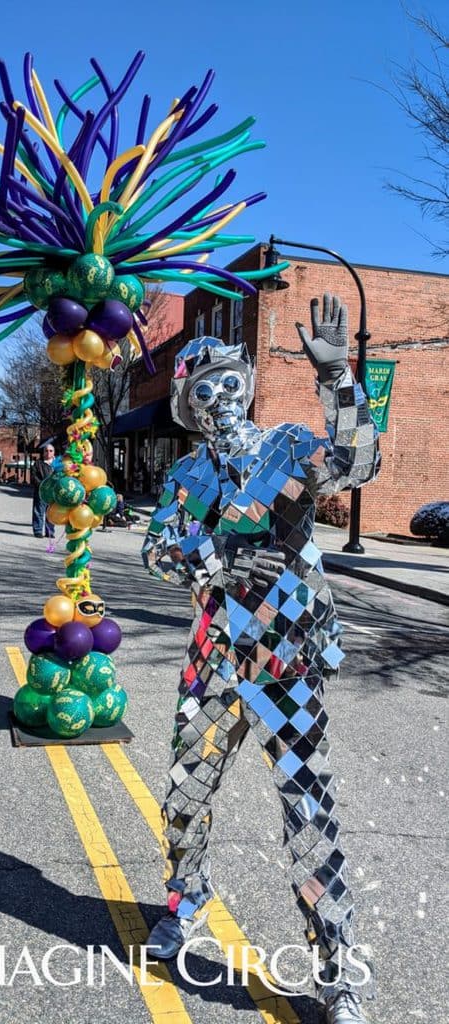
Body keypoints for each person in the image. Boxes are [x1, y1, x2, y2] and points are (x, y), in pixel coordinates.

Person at [142, 295, 381, 1024]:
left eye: (225, 379)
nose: (217, 396)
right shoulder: (185, 476)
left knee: (307, 812)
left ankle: (337, 970)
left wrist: (339, 377)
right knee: (184, 799)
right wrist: (208, 562)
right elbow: (156, 550)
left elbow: (361, 463)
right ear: (187, 403)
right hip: (211, 660)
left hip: (284, 662)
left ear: (245, 381)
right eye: (200, 387)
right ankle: (186, 900)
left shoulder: (287, 447)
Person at [30, 445, 55, 538]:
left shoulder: (57, 464)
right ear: (43, 452)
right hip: (41, 491)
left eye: (51, 451)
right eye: (46, 451)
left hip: (53, 493)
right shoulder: (38, 464)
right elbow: (33, 477)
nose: (48, 453)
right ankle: (38, 531)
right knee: (38, 511)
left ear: (54, 452)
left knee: (51, 513)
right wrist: (42, 485)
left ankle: (50, 532)